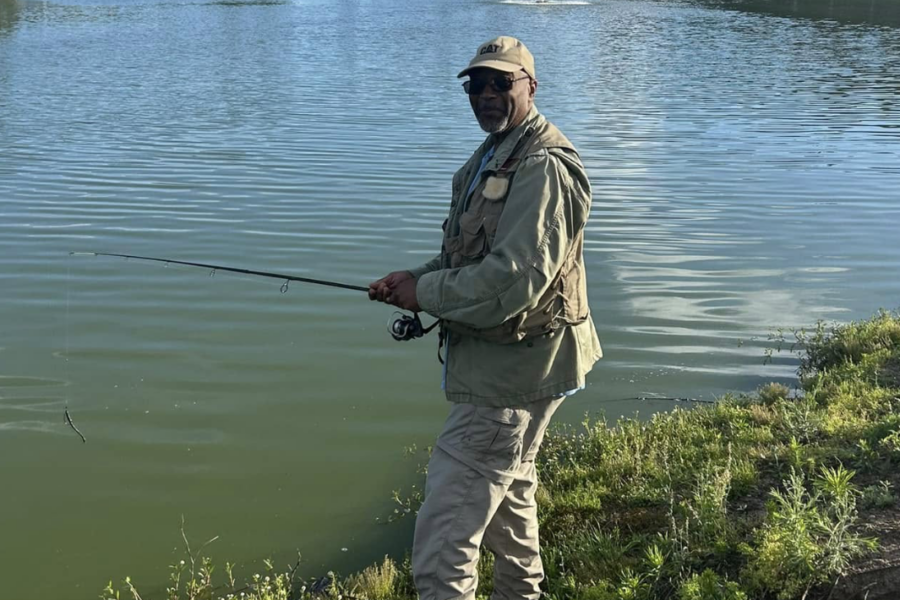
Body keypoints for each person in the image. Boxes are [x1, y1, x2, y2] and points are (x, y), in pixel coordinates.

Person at [368, 35, 602, 600]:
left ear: (530, 86)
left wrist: (427, 293)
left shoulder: (543, 166)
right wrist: (415, 279)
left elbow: (513, 282)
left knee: (444, 538)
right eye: (477, 84)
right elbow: (467, 258)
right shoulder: (493, 155)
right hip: (506, 365)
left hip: (512, 377)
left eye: (502, 82)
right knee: (511, 493)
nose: (487, 94)